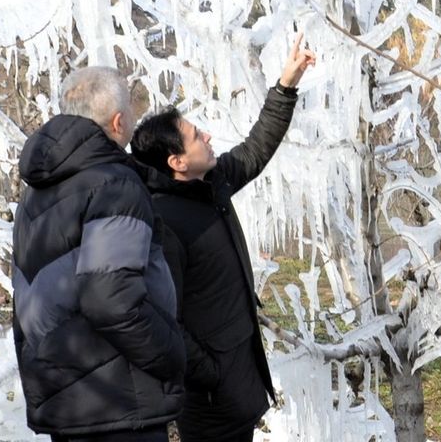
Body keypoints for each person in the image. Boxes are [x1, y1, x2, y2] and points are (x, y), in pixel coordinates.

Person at [131, 33, 316, 442]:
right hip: (210, 397)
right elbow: (163, 317)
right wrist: (209, 372)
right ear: (177, 161)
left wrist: (286, 84)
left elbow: (255, 150)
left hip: (237, 374)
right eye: (197, 136)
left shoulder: (209, 184)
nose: (208, 137)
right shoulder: (164, 223)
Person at [12, 66, 186, 442]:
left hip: (66, 393)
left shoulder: (39, 187)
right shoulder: (114, 183)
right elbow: (111, 301)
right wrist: (173, 353)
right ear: (119, 121)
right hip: (118, 402)